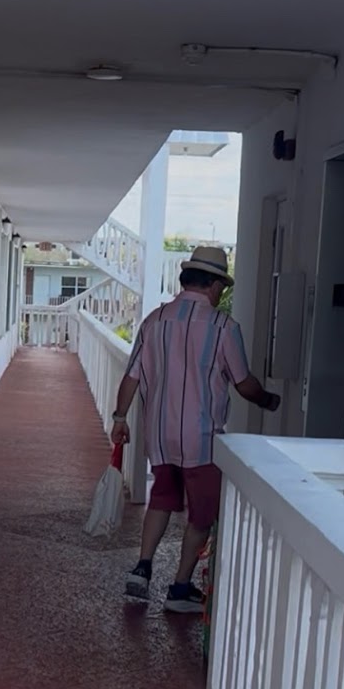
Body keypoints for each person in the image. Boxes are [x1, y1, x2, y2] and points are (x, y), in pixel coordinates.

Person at [111, 245, 280, 612]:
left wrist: (120, 419)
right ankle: (180, 588)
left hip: (160, 435)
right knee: (202, 514)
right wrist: (268, 400)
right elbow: (243, 384)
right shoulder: (224, 328)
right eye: (222, 287)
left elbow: (132, 376)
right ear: (215, 285)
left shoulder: (154, 321)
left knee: (161, 499)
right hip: (202, 440)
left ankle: (142, 568)